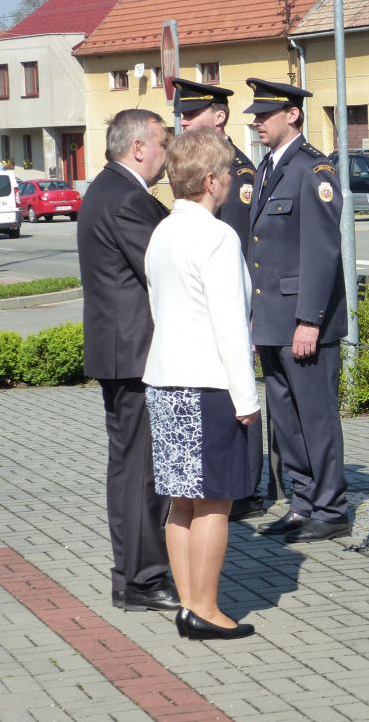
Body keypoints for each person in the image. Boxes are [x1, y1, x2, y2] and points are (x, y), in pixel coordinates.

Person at [143, 127, 259, 641]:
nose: (232, 178)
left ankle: (189, 604)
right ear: (210, 180)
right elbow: (229, 325)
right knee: (215, 501)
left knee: (181, 501)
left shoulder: (163, 232)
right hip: (208, 384)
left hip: (164, 380)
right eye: (228, 170)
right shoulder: (217, 236)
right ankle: (206, 608)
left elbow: (157, 306)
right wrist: (247, 397)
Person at [77, 109, 179, 613]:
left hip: (123, 351)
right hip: (136, 355)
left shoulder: (108, 189)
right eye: (163, 144)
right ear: (138, 148)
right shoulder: (127, 199)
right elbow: (163, 270)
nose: (167, 154)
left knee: (131, 467)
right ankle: (142, 579)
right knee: (142, 472)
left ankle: (131, 575)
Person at [243, 78, 350, 543]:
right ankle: (303, 502)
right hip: (272, 320)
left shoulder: (313, 170)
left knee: (316, 418)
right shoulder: (267, 169)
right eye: (255, 115)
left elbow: (322, 253)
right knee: (286, 420)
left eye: (265, 115)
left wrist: (310, 320)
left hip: (304, 323)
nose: (257, 123)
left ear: (293, 115)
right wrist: (255, 316)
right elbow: (260, 249)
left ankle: (331, 508)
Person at [171, 77, 269, 522]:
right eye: (182, 115)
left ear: (220, 116)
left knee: (239, 389)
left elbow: (244, 245)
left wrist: (248, 313)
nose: (185, 122)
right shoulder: (198, 166)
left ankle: (244, 489)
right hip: (206, 301)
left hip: (233, 296)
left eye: (193, 114)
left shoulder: (237, 172)